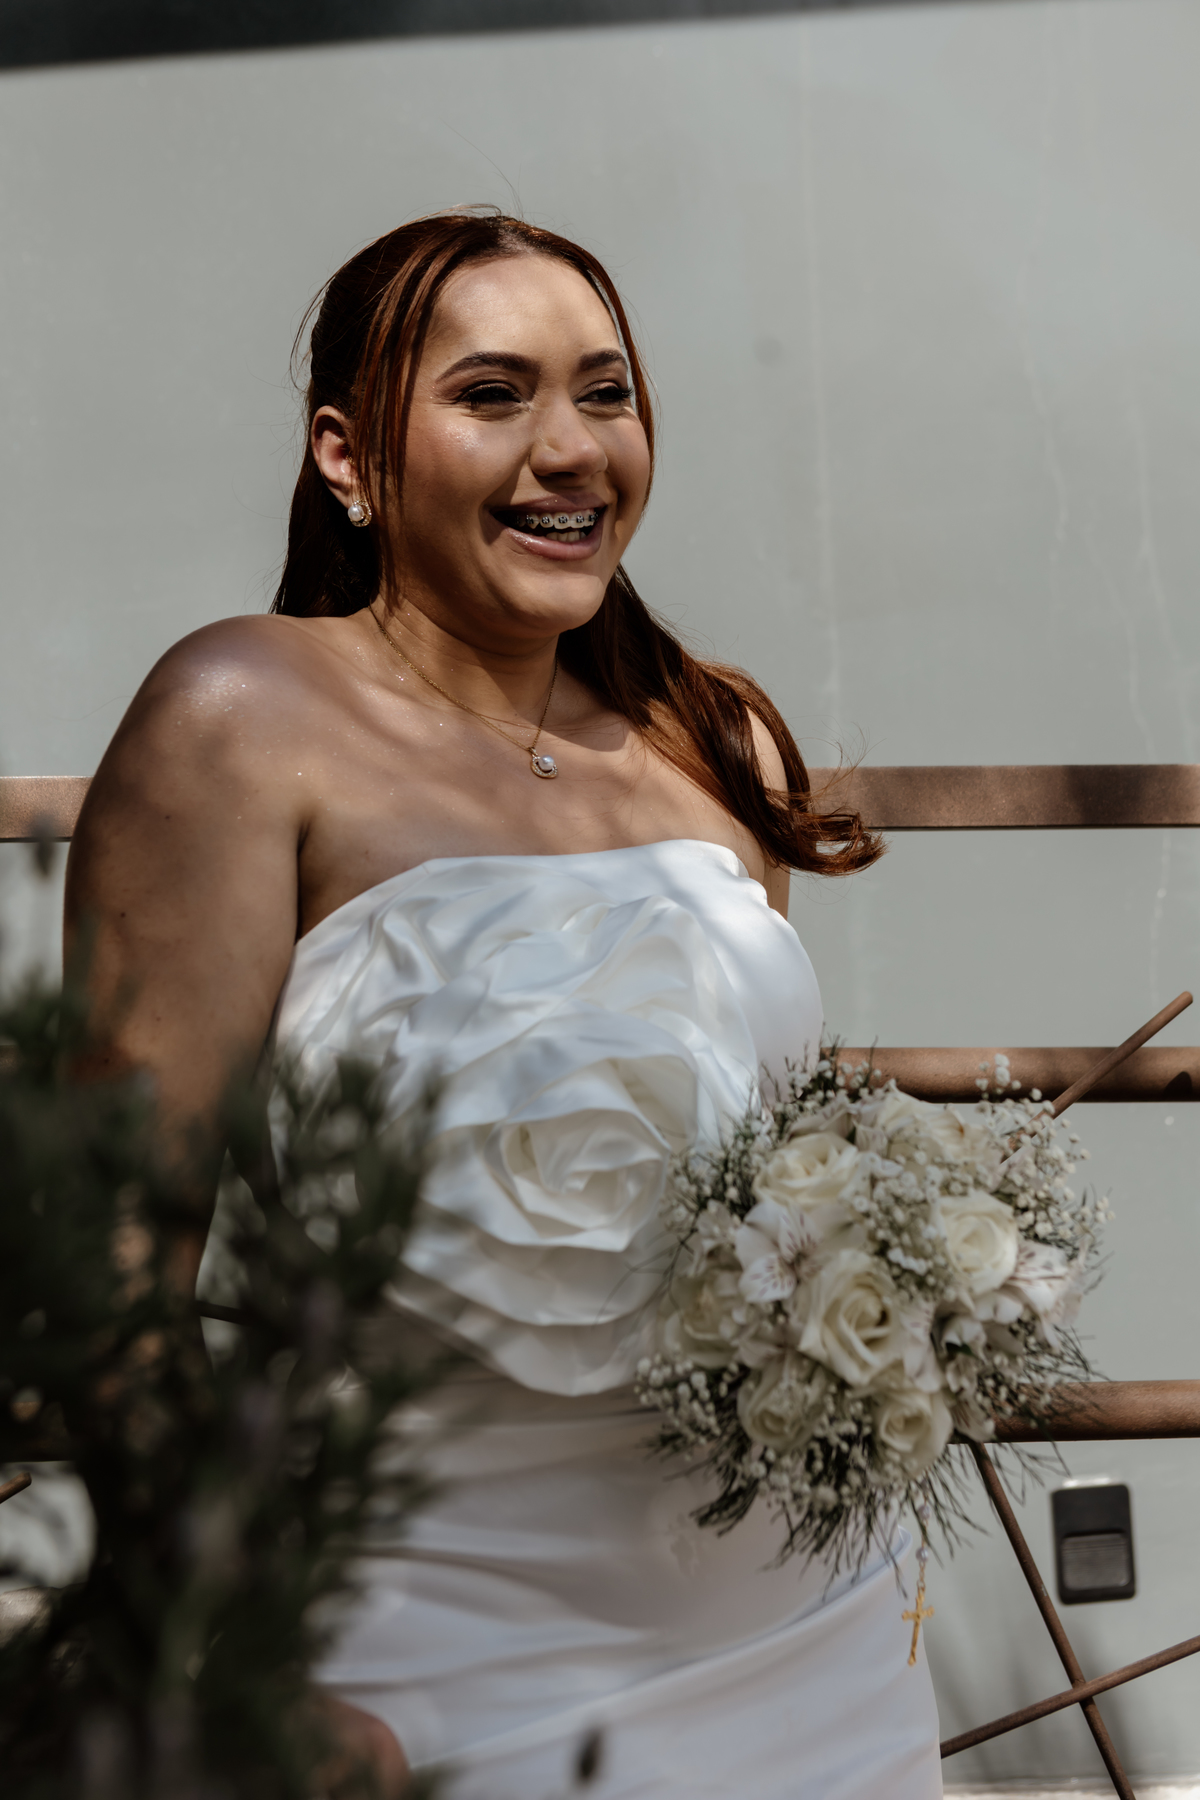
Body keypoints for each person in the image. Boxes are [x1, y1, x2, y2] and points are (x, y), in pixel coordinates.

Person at [66, 210, 943, 1798]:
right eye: (493, 395)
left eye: (606, 392)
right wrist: (232, 1652)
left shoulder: (714, 740)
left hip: (801, 1630)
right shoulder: (239, 717)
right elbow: (114, 1251)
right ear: (349, 456)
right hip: (421, 1631)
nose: (573, 449)